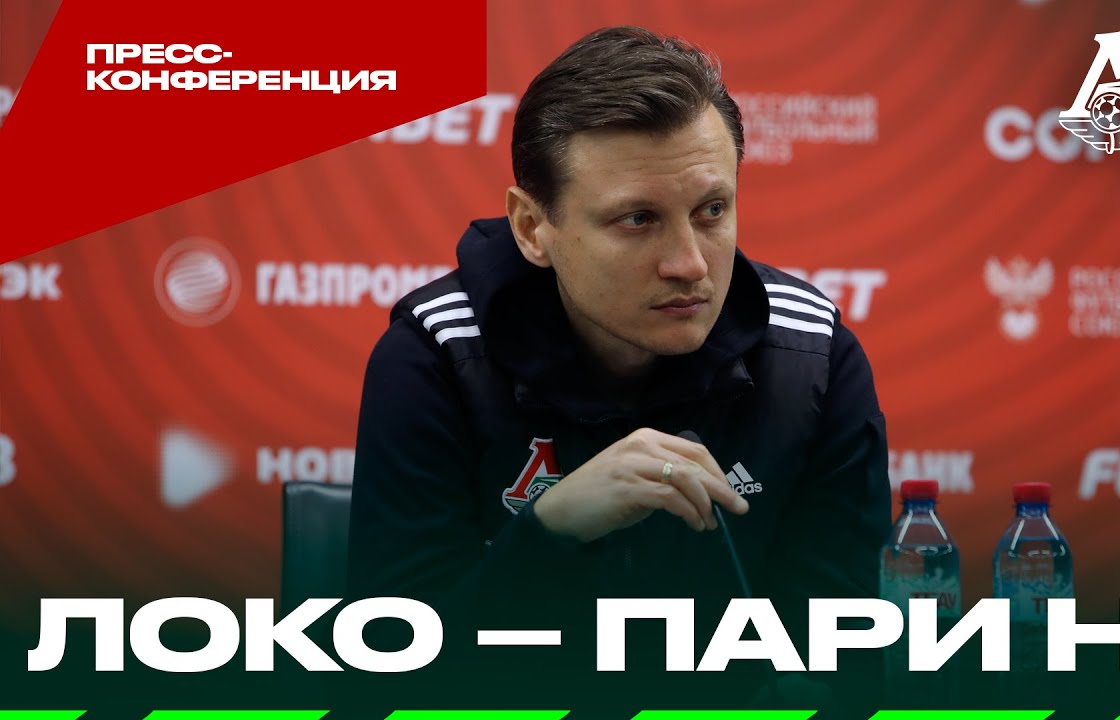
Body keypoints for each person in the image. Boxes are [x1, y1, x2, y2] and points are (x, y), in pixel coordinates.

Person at [348, 25, 890, 712]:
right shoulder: (438, 355)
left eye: (712, 210)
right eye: (637, 220)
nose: (689, 264)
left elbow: (845, 659)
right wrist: (550, 529)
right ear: (532, 228)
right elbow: (391, 673)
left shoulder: (809, 355)